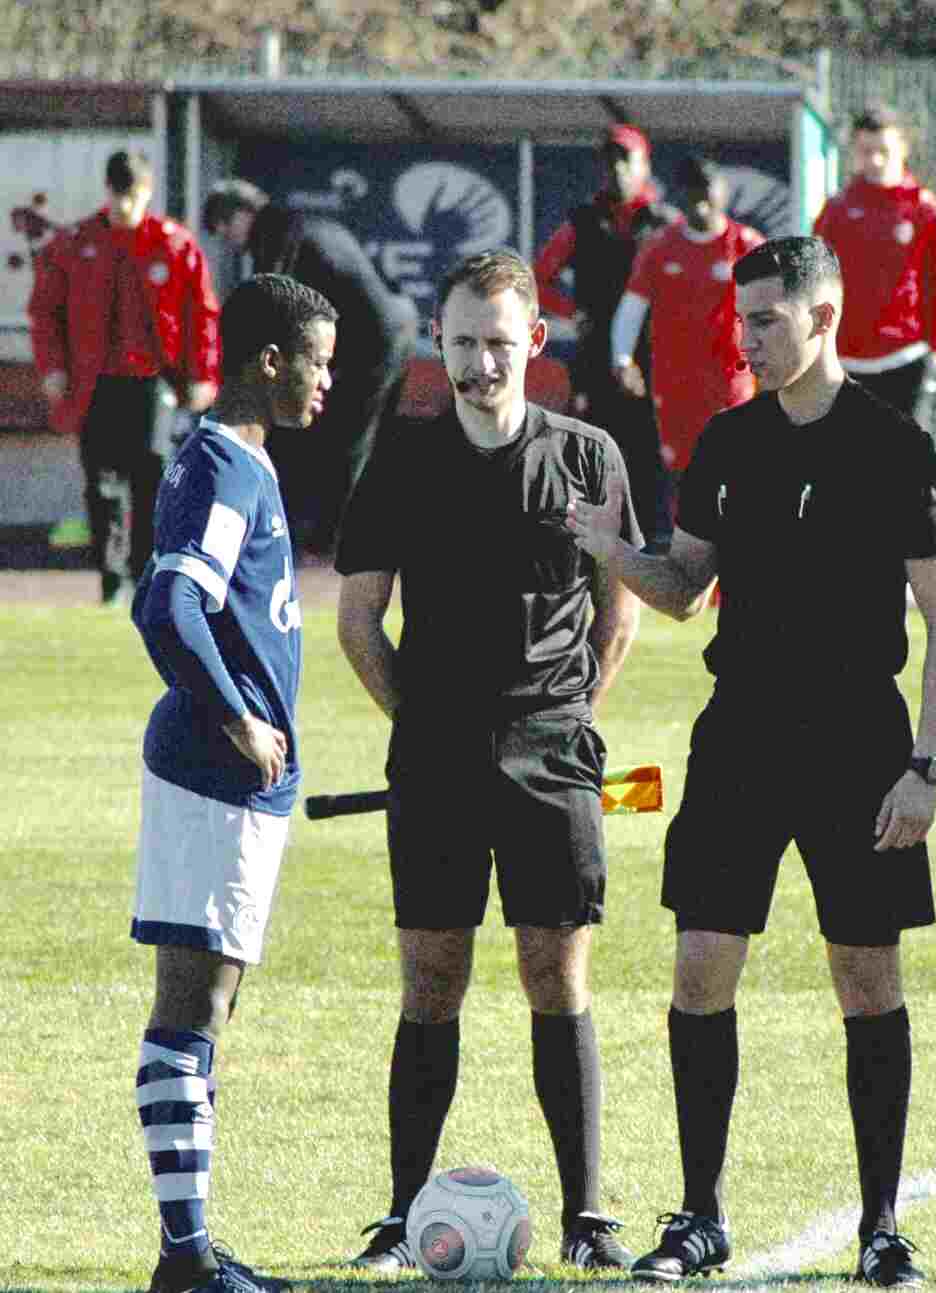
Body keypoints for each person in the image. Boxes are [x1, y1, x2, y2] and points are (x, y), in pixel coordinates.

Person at [565, 236, 936, 1288]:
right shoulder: (729, 440)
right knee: (700, 972)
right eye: (739, 320)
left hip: (859, 742)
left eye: (765, 321)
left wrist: (925, 766)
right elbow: (688, 584)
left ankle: (883, 1228)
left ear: (824, 317)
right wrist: (610, 549)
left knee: (866, 980)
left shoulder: (893, 445)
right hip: (739, 733)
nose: (742, 339)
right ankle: (700, 1217)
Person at [335, 249, 643, 1273]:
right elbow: (360, 621)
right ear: (439, 341)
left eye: (499, 343)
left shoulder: (590, 455)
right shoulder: (401, 459)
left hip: (553, 755)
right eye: (462, 342)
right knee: (432, 980)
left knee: (556, 975)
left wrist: (565, 723)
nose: (479, 364)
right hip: (436, 760)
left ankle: (588, 1216)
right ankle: (394, 1213)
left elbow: (618, 612)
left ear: (536, 344)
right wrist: (420, 724)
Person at [131, 272, 338, 1293]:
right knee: (191, 1009)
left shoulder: (244, 460)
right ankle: (187, 1259)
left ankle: (194, 1248)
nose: (327, 382)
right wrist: (239, 718)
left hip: (236, 782)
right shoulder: (225, 466)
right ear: (271, 360)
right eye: (318, 361)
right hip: (214, 772)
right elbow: (169, 606)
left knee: (211, 1010)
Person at [28, 148, 220, 605]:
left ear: (147, 192)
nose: (124, 206)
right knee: (101, 483)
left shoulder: (173, 244)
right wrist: (53, 369)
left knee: (152, 476)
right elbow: (46, 312)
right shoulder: (76, 243)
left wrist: (202, 374)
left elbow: (202, 313)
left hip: (153, 381)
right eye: (118, 195)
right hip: (95, 383)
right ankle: (111, 581)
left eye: (132, 195)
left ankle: (146, 574)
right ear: (107, 191)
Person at [203, 178, 420, 558]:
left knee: (347, 439)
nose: (227, 237)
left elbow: (276, 307)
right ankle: (356, 535)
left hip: (373, 336)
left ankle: (337, 544)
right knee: (366, 439)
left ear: (244, 213)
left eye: (225, 225)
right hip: (394, 323)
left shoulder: (278, 235)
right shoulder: (301, 222)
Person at [535, 123, 678, 549]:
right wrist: (571, 312)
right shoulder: (582, 222)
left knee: (653, 447)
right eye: (610, 160)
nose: (617, 169)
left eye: (626, 159)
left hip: (654, 355)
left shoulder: (665, 223)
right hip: (597, 355)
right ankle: (589, 538)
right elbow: (539, 279)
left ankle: (657, 540)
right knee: (592, 443)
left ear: (644, 166)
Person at [611, 154, 765, 543]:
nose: (699, 201)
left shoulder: (745, 245)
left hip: (731, 380)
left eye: (707, 191)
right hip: (675, 383)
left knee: (738, 472)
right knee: (685, 476)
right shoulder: (662, 248)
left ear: (722, 194)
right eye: (691, 192)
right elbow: (631, 308)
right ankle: (692, 567)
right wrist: (622, 358)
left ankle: (739, 567)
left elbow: (776, 307)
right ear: (680, 196)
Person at [812, 105, 936, 426]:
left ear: (903, 149)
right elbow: (815, 282)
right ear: (854, 152)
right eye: (866, 151)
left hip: (906, 356)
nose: (875, 160)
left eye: (884, 151)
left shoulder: (927, 211)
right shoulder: (836, 211)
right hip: (846, 359)